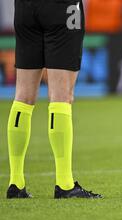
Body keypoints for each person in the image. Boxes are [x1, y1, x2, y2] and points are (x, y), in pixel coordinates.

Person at [7, 0, 101, 199]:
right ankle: (65, 184)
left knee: (23, 97)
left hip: (24, 8)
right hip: (62, 7)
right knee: (61, 96)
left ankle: (15, 182)